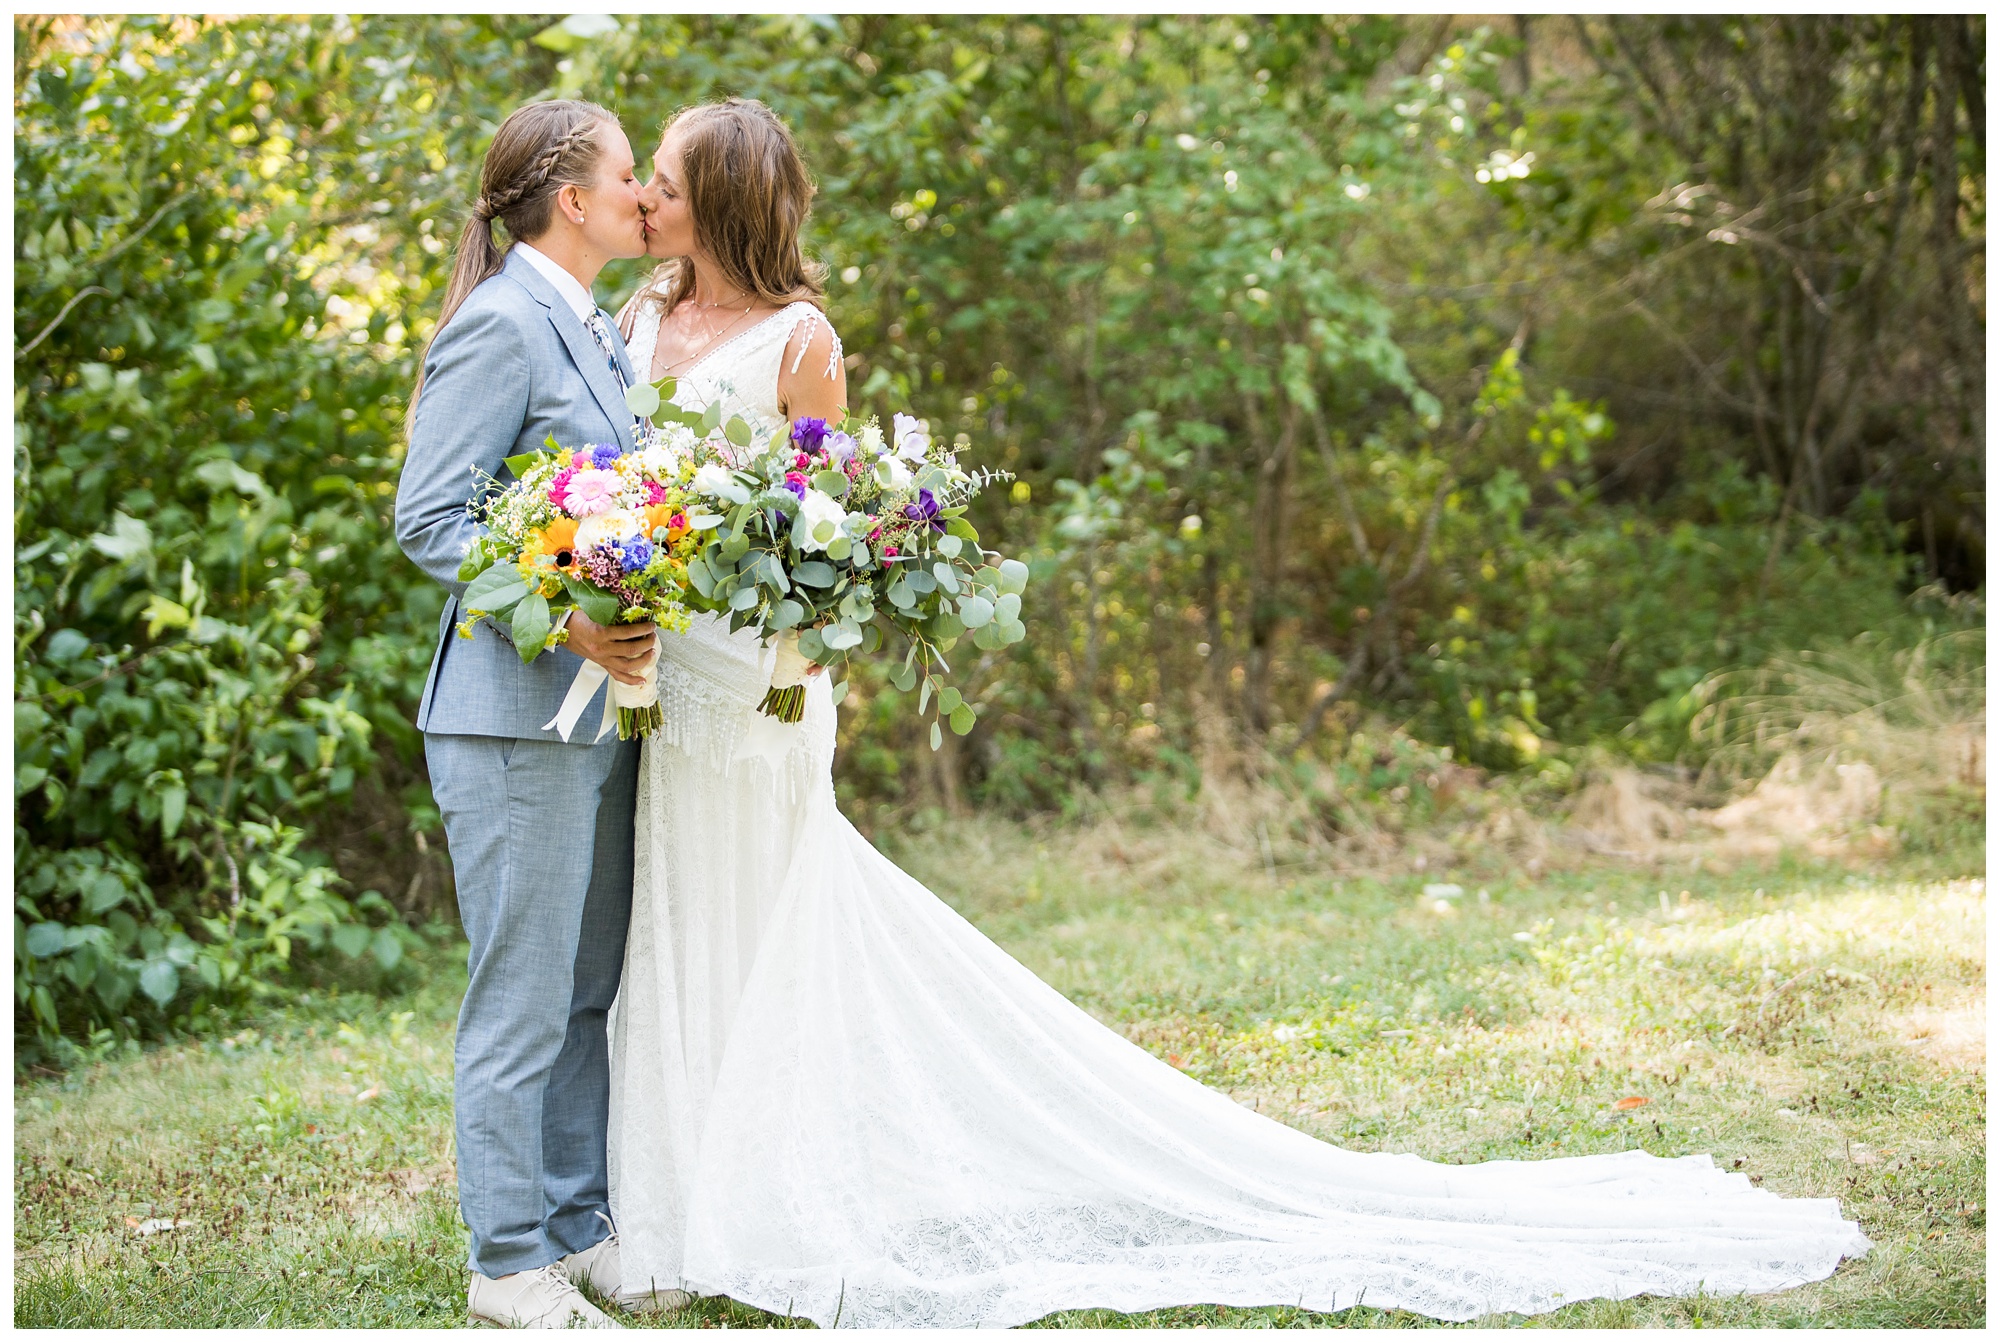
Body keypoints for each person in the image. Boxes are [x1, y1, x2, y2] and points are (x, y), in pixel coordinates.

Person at [605, 98, 1871, 1328]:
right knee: (668, 920)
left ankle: (741, 1208)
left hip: (762, 685)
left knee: (758, 925)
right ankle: (658, 1205)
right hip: (656, 669)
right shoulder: (633, 313)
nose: (644, 195)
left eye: (661, 174)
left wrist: (808, 626)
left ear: (717, 193)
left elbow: (835, 524)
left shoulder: (798, 338)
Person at [396, 97, 659, 1330]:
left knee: (585, 981)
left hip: (595, 713)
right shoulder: (502, 325)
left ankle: (575, 1225)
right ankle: (505, 1262)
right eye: (625, 176)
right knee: (521, 993)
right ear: (572, 199)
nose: (642, 197)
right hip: (508, 718)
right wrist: (565, 625)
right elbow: (429, 519)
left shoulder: (594, 327)